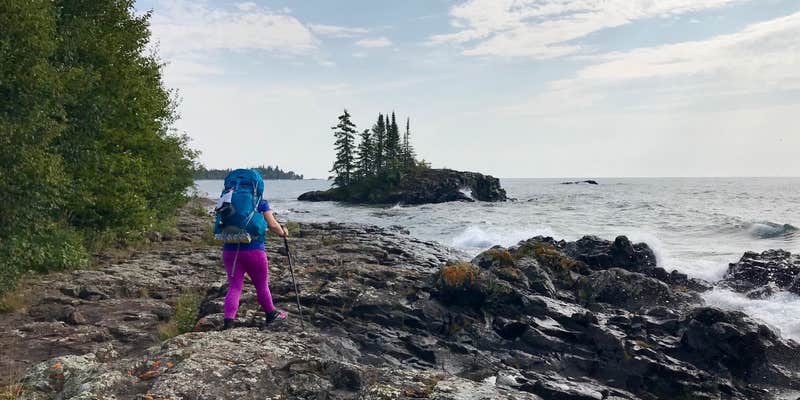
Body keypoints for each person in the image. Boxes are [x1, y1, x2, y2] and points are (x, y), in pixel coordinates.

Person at [221, 189, 289, 330]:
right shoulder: (260, 202)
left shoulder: (226, 200)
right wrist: (283, 232)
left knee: (235, 286)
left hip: (230, 250)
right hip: (254, 250)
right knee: (261, 285)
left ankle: (228, 323)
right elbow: (273, 225)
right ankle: (271, 315)